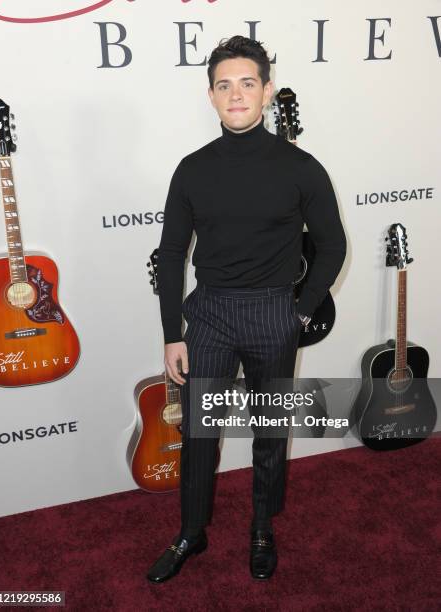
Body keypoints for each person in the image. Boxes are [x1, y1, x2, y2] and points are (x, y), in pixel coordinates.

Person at [146, 35, 346, 583]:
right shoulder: (191, 169)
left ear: (267, 92)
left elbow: (332, 246)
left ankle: (262, 525)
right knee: (199, 434)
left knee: (269, 428)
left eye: (247, 83)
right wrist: (172, 334)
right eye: (224, 85)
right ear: (210, 95)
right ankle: (191, 531)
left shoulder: (302, 167)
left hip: (272, 316)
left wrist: (299, 313)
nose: (236, 94)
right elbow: (169, 256)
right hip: (208, 315)